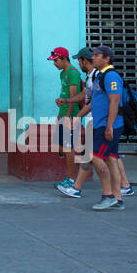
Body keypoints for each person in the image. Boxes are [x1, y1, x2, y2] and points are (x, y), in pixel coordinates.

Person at [88, 45, 126, 211]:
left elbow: (115, 100)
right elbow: (94, 101)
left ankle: (107, 195)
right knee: (111, 158)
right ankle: (117, 198)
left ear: (106, 58)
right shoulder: (100, 76)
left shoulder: (111, 76)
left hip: (107, 125)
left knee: (96, 157)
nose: (93, 58)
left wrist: (109, 125)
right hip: (102, 124)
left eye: (97, 55)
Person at [56, 47, 97, 198]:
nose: (78, 63)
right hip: (89, 119)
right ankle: (119, 189)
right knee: (103, 157)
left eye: (79, 60)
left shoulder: (93, 76)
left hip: (96, 121)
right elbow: (83, 95)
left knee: (94, 156)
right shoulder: (89, 77)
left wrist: (73, 117)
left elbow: (91, 101)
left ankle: (74, 184)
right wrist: (65, 104)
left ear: (84, 61)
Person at [47, 46, 81, 188]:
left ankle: (71, 179)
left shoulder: (73, 73)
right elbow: (65, 95)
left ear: (64, 59)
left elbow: (73, 97)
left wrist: (67, 117)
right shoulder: (63, 73)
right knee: (61, 146)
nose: (55, 64)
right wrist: (59, 115)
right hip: (64, 113)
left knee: (67, 148)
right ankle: (70, 177)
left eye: (56, 61)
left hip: (71, 116)